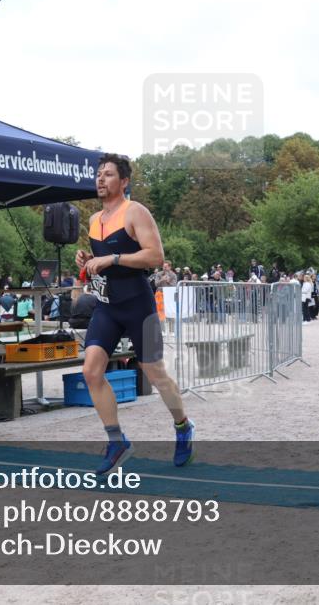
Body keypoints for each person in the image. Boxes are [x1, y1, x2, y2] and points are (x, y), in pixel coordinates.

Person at [75, 153, 193, 476]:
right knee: (91, 371)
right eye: (99, 174)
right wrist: (88, 260)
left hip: (139, 303)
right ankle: (117, 441)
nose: (101, 179)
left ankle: (183, 426)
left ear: (124, 181)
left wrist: (112, 259)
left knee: (155, 373)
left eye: (109, 174)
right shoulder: (94, 219)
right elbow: (102, 260)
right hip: (108, 305)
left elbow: (155, 256)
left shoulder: (135, 211)